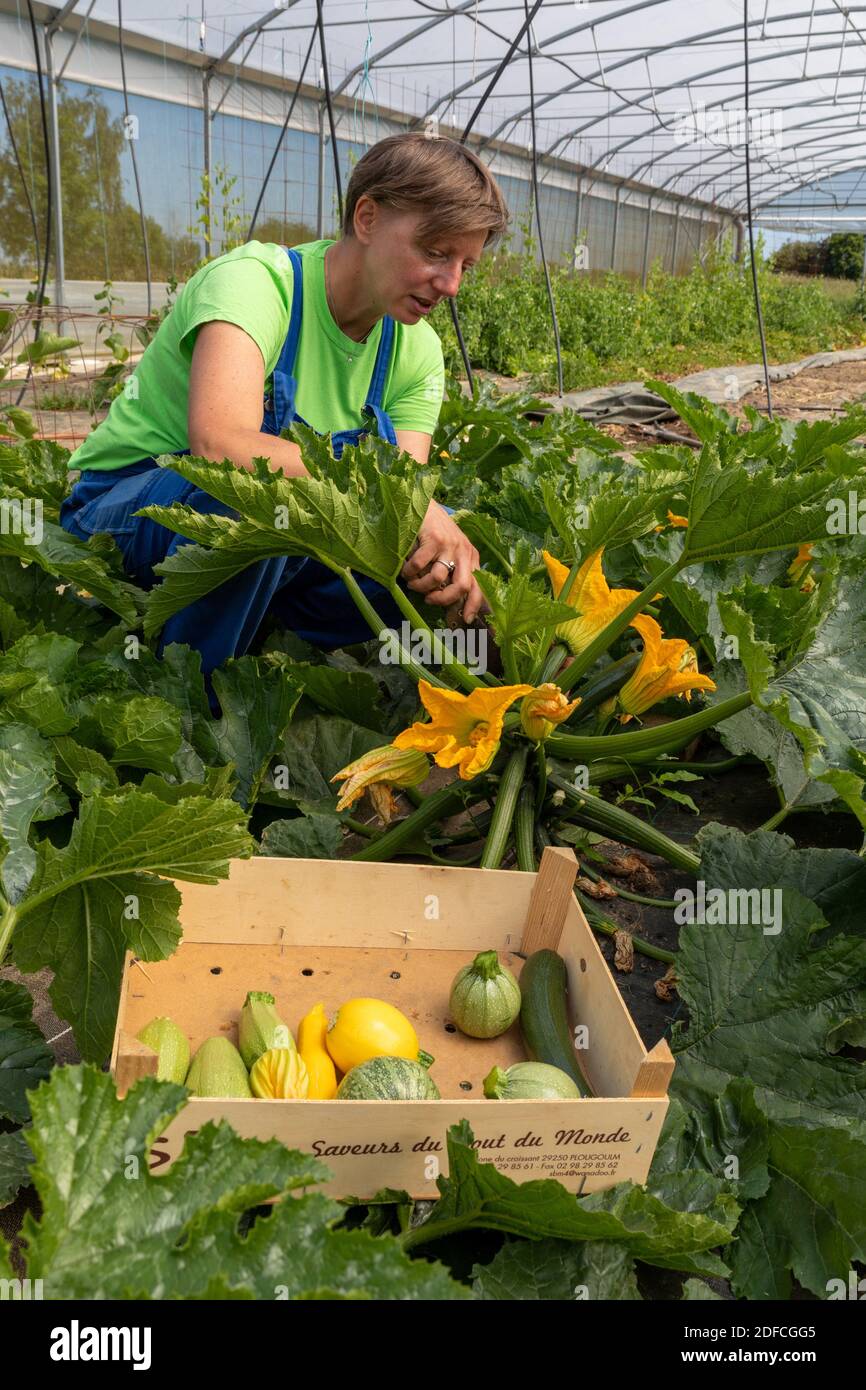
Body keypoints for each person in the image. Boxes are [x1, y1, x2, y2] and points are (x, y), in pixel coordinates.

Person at [59, 133, 509, 686]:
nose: (452, 283)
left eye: (467, 263)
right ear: (366, 218)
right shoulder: (257, 284)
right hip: (126, 512)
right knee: (263, 496)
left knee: (424, 560)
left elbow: (401, 495)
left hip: (270, 547)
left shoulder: (416, 351)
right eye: (436, 251)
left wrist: (439, 547)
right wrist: (408, 498)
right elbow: (219, 444)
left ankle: (492, 703)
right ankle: (189, 703)